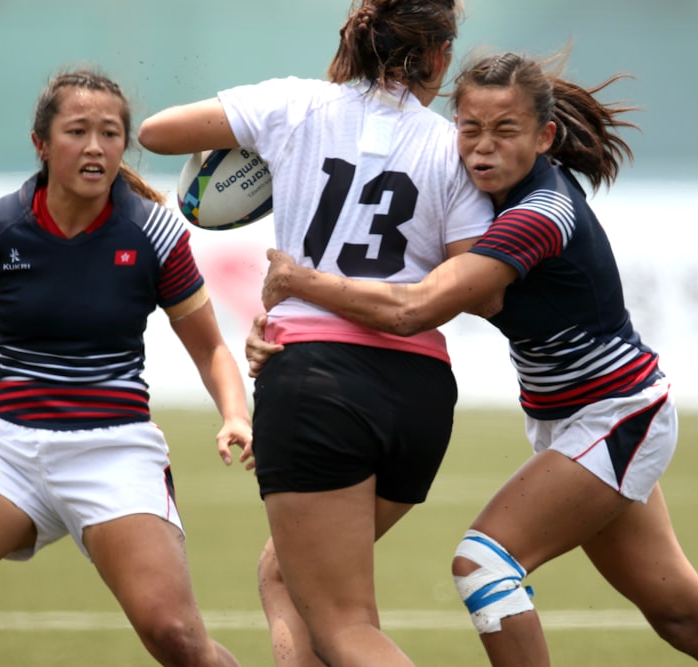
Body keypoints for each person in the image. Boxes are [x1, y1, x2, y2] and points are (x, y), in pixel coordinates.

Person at [256, 51, 698, 666]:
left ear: (544, 137)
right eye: (470, 129)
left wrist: (300, 283)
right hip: (565, 422)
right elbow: (387, 268)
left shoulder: (541, 213)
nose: (482, 148)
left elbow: (414, 307)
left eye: (505, 131)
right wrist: (275, 328)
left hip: (618, 414)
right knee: (685, 618)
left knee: (483, 565)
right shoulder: (468, 199)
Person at [138, 2, 494, 665]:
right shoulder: (452, 146)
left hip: (315, 385)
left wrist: (269, 157)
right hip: (419, 394)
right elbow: (474, 287)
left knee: (344, 624)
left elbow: (157, 133)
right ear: (440, 57)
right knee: (287, 578)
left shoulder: (292, 107)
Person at [0, 68, 253, 667]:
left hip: (113, 452)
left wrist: (235, 415)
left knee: (176, 637)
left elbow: (212, 350)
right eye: (78, 131)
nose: (95, 146)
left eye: (110, 133)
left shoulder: (153, 234)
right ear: (42, 144)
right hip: (8, 451)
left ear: (124, 146)